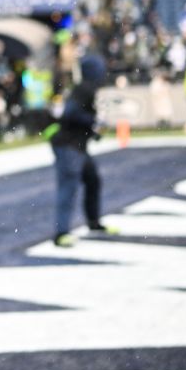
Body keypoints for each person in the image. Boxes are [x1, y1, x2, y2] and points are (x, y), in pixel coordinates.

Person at [47, 55, 119, 247]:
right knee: (68, 187)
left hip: (76, 145)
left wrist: (92, 129)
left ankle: (93, 222)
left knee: (92, 180)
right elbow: (70, 113)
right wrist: (93, 122)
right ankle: (61, 233)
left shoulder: (86, 89)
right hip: (69, 146)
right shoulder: (84, 89)